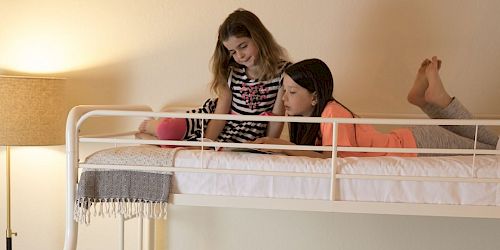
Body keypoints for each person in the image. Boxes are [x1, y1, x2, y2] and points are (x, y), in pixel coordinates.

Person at [253, 57, 499, 158]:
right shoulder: (315, 119)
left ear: (315, 97)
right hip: (413, 141)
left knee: (494, 153)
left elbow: (334, 158)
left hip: (418, 144)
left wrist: (286, 147)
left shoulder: (332, 113)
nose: (284, 98)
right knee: (492, 147)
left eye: (292, 92)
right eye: (283, 91)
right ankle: (431, 99)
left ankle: (432, 99)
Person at [139, 9, 290, 145]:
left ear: (259, 37)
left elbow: (276, 117)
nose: (240, 55)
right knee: (168, 129)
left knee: (176, 146)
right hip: (214, 119)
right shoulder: (232, 72)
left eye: (243, 46)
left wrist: (269, 146)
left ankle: (155, 140)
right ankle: (153, 126)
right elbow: (220, 114)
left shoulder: (283, 72)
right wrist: (207, 144)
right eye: (233, 52)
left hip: (245, 133)